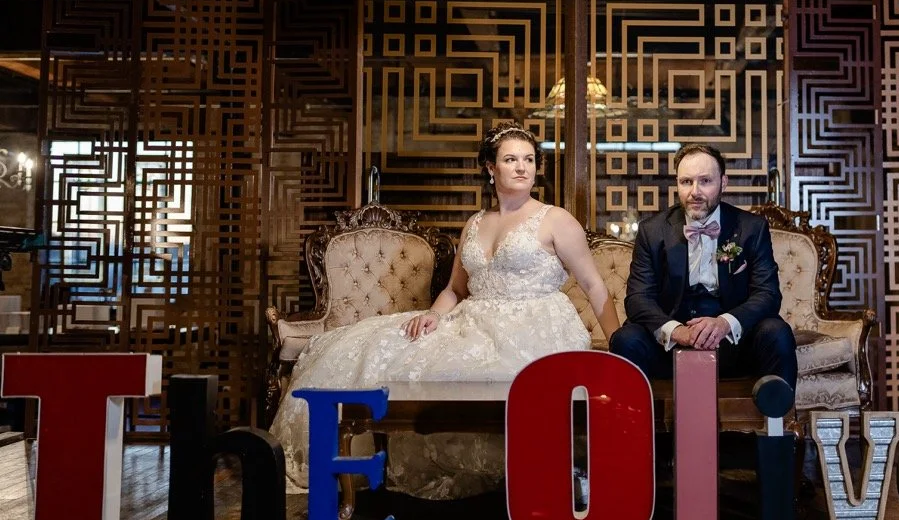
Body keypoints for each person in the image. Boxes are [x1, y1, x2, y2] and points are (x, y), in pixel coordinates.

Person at [270, 121, 620, 496]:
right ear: (491, 168)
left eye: (529, 159)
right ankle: (351, 466)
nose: (522, 167)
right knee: (380, 346)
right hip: (474, 317)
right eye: (511, 159)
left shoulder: (555, 219)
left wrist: (619, 344)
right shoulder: (475, 223)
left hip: (534, 323)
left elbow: (594, 285)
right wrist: (434, 315)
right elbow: (455, 289)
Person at [609, 143, 797, 389]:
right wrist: (676, 331)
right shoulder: (652, 230)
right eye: (686, 182)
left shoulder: (751, 228)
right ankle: (634, 425)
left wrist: (724, 324)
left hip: (733, 346)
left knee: (777, 332)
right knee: (626, 339)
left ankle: (776, 422)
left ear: (723, 183)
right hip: (671, 347)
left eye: (705, 181)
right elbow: (637, 299)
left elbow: (768, 294)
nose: (694, 192)